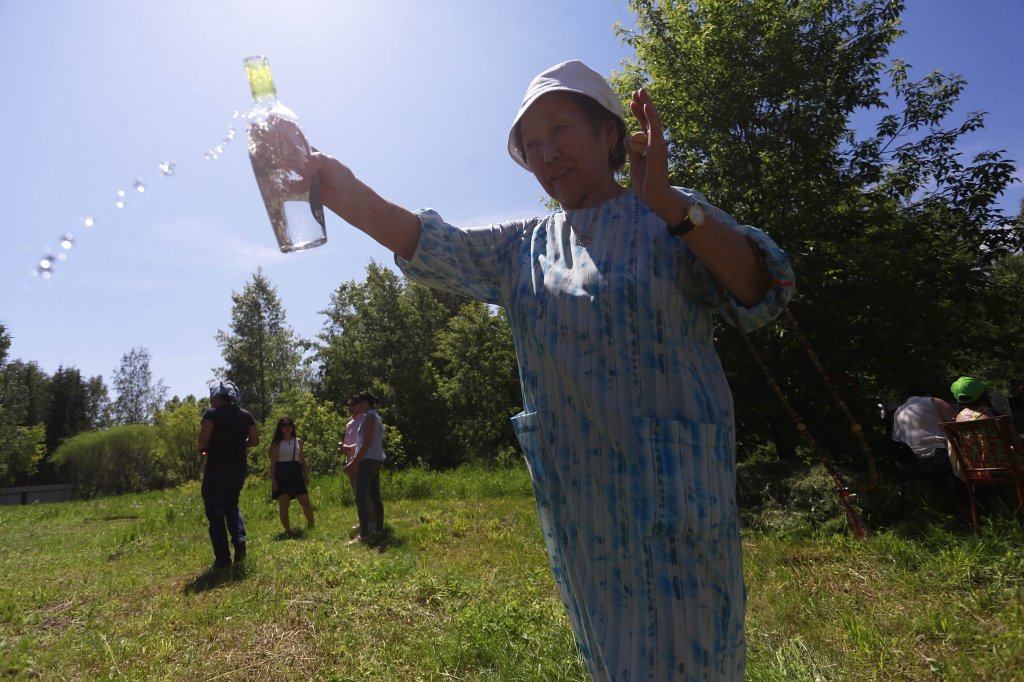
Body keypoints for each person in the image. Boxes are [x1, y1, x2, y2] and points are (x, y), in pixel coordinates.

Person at [309, 60, 794, 680]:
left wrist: (669, 200)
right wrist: (335, 184)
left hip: (681, 503)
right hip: (588, 520)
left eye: (559, 130)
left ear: (610, 134)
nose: (545, 153)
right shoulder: (524, 247)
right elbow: (426, 243)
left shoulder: (668, 218)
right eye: (531, 144)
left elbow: (760, 288)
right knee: (616, 663)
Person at [197, 380, 259, 569]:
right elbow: (255, 440)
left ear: (217, 396)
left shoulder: (212, 414)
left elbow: (202, 442)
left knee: (216, 514)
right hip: (238, 469)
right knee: (232, 506)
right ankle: (239, 540)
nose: (210, 400)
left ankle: (223, 559)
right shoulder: (245, 415)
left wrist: (205, 447)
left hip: (216, 469)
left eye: (211, 396)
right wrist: (239, 445)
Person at [343, 391, 386, 545]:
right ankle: (379, 529)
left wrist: (353, 462)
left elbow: (366, 443)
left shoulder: (369, 417)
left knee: (360, 496)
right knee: (375, 495)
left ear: (365, 403)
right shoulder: (376, 416)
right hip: (376, 458)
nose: (356, 407)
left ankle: (364, 534)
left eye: (358, 404)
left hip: (367, 460)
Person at [268, 416, 315, 535]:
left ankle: (311, 525)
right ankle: (288, 531)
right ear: (280, 428)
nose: (287, 427)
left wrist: (306, 473)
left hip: (296, 472)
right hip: (282, 473)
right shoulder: (276, 444)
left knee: (306, 502)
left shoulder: (298, 441)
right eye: (284, 425)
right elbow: (273, 465)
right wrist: (273, 481)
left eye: (289, 425)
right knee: (284, 504)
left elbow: (302, 459)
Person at [891, 394, 957, 476]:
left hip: (908, 462)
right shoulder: (934, 401)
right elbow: (956, 428)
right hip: (936, 458)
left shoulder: (898, 411)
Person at [338, 394, 370, 534]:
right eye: (348, 405)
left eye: (352, 405)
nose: (349, 408)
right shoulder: (349, 423)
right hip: (350, 461)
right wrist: (342, 447)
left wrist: (349, 448)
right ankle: (362, 520)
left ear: (359, 405)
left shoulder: (364, 420)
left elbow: (366, 442)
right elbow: (346, 441)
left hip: (361, 460)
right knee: (356, 493)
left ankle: (371, 522)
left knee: (365, 492)